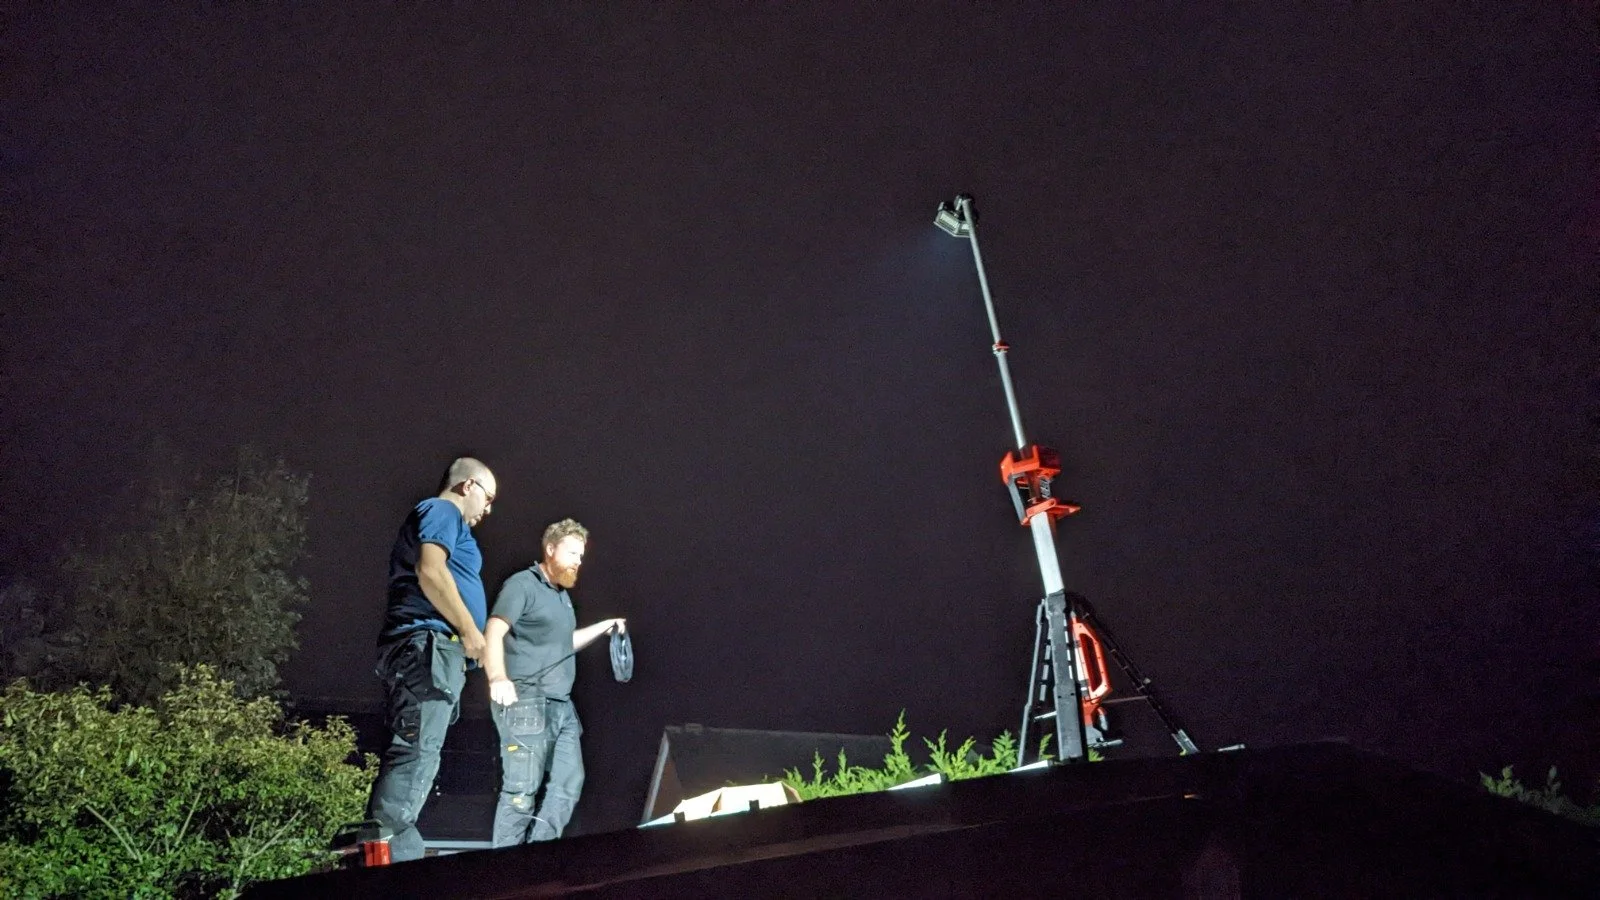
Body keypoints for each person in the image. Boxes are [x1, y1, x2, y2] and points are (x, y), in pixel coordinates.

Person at [364, 457, 497, 862]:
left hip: (432, 652)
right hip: (428, 647)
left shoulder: (447, 519)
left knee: (422, 748)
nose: (488, 511)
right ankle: (387, 853)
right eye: (488, 499)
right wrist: (470, 630)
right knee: (417, 750)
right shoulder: (443, 511)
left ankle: (392, 846)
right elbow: (431, 571)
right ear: (467, 486)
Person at [483, 518, 623, 846]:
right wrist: (498, 676)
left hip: (562, 705)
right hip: (526, 701)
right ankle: (502, 873)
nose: (578, 561)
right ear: (550, 549)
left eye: (581, 555)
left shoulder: (561, 597)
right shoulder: (523, 585)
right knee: (522, 789)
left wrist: (605, 626)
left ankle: (538, 858)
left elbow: (564, 644)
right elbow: (494, 630)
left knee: (569, 783)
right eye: (572, 553)